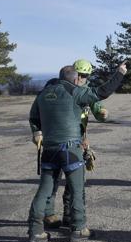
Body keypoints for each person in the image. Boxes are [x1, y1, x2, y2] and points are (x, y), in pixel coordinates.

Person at [27, 62, 126, 242]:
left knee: (44, 190)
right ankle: (79, 228)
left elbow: (33, 117)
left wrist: (37, 132)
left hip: (48, 150)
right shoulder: (74, 91)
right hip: (71, 150)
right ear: (74, 78)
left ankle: (35, 232)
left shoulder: (42, 94)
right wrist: (119, 73)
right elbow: (101, 92)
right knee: (77, 190)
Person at [43, 59, 109, 229]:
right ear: (74, 74)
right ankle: (48, 214)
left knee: (74, 183)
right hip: (59, 140)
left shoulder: (86, 91)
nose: (82, 79)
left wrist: (102, 114)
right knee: (53, 179)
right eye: (80, 75)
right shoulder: (59, 88)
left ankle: (69, 215)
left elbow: (98, 111)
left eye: (85, 76)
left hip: (78, 141)